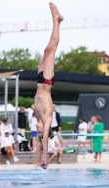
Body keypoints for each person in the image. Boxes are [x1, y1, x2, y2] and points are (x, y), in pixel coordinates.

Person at [34, 2, 64, 169]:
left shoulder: (36, 115)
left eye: (37, 131)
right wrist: (45, 161)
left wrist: (37, 161)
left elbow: (38, 142)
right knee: (52, 49)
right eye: (40, 131)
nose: (38, 130)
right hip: (46, 81)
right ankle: (56, 20)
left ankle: (58, 22)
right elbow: (44, 141)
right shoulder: (47, 119)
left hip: (39, 80)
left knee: (46, 49)